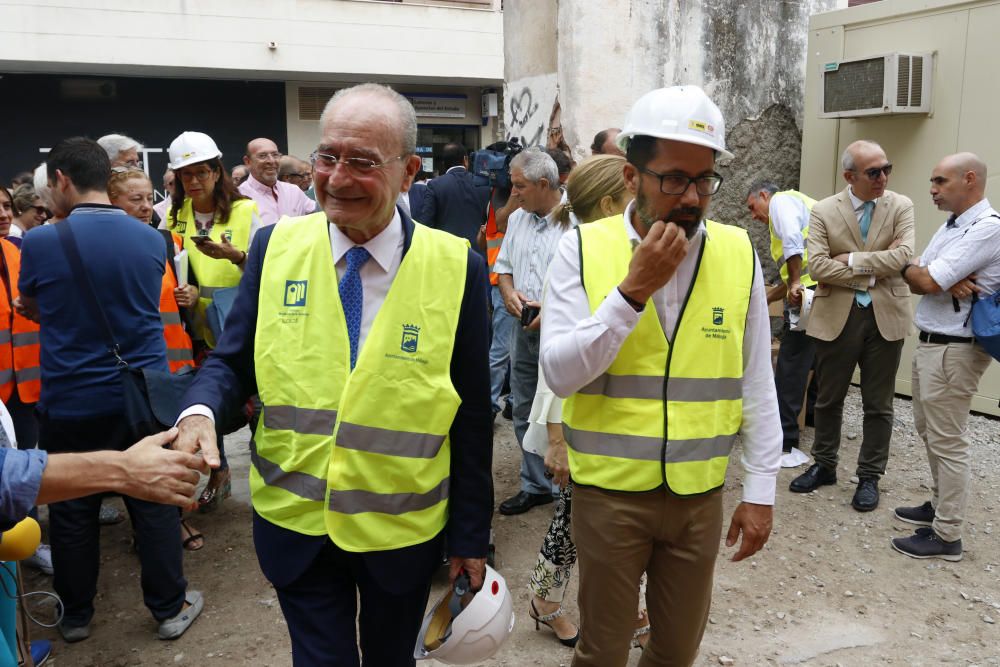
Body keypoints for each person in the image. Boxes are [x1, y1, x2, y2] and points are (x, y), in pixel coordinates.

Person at [172, 83, 493, 667]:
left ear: (409, 171)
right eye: (328, 157)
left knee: (391, 659)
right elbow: (233, 361)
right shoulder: (274, 248)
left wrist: (470, 537)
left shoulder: (459, 269)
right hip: (296, 527)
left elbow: (471, 414)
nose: (337, 178)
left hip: (399, 535)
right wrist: (197, 414)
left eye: (363, 162)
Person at [541, 86, 780, 665]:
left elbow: (755, 379)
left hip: (698, 496)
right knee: (603, 650)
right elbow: (560, 373)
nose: (693, 197)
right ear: (631, 174)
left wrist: (761, 490)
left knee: (675, 650)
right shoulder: (581, 247)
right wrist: (632, 290)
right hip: (610, 493)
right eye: (674, 179)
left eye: (704, 179)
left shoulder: (736, 252)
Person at [16, 137, 203, 642]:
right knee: (153, 499)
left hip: (70, 396)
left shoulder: (38, 241)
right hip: (141, 391)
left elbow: (29, 303)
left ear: (61, 180)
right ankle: (169, 608)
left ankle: (76, 617)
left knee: (73, 509)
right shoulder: (150, 239)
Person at [525, 154, 651, 650]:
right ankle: (553, 602)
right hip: (580, 422)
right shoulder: (578, 253)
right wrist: (556, 438)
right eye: (631, 198)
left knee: (583, 522)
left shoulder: (620, 251)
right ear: (608, 203)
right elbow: (557, 365)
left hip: (614, 424)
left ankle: (552, 600)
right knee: (580, 521)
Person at [792, 140, 914, 512]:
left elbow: (905, 256)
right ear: (850, 176)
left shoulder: (901, 205)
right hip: (837, 317)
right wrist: (871, 273)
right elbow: (817, 267)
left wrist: (852, 259)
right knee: (829, 398)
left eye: (886, 168)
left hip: (886, 318)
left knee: (879, 405)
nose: (884, 177)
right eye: (874, 172)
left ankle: (869, 477)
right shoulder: (825, 210)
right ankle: (824, 465)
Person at [892, 152, 1000, 561]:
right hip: (935, 344)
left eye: (940, 181)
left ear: (969, 179)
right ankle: (938, 506)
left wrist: (932, 275)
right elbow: (915, 269)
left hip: (956, 349)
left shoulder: (986, 229)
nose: (933, 190)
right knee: (929, 430)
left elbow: (928, 277)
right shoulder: (953, 225)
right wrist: (924, 273)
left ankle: (947, 534)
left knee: (948, 441)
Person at [165, 130, 260, 512]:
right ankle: (219, 473)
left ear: (217, 172)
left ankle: (266, 473)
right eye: (186, 175)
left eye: (201, 173)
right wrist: (181, 292)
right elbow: (168, 267)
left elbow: (269, 266)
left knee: (255, 403)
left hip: (240, 326)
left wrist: (235, 256)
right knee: (201, 402)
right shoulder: (173, 218)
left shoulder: (246, 211)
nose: (194, 182)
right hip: (196, 329)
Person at [494, 150, 567, 516]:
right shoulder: (519, 220)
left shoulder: (579, 221)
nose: (514, 192)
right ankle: (535, 484)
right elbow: (503, 267)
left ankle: (565, 484)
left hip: (564, 332)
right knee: (523, 404)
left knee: (561, 407)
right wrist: (508, 293)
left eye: (520, 185)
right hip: (522, 330)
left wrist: (551, 312)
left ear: (543, 184)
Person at [746, 181, 818, 467]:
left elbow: (792, 240)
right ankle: (811, 419)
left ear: (765, 195)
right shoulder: (801, 202)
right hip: (822, 289)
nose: (753, 215)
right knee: (815, 363)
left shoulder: (781, 203)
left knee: (791, 366)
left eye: (753, 207)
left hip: (808, 295)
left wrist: (797, 283)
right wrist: (762, 298)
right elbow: (787, 278)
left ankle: (785, 442)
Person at [420, 143, 490, 252]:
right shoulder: (483, 184)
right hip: (477, 253)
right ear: (465, 160)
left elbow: (425, 224)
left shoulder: (435, 185)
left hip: (447, 254)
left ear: (443, 164)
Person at [238, 138, 316, 227]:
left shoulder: (293, 191)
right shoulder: (239, 196)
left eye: (275, 155)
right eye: (263, 156)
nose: (271, 161)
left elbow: (320, 215)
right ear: (247, 161)